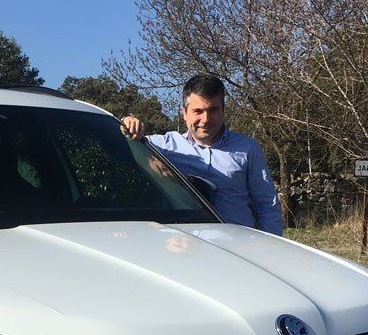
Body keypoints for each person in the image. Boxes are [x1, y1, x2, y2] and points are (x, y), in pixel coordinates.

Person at [121, 74, 283, 234]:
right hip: (181, 247)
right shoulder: (161, 147)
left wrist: (269, 249)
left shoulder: (247, 148)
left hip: (237, 247)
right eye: (198, 111)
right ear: (184, 113)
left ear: (223, 110)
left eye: (213, 110)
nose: (205, 119)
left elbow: (267, 204)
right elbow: (121, 142)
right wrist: (128, 122)